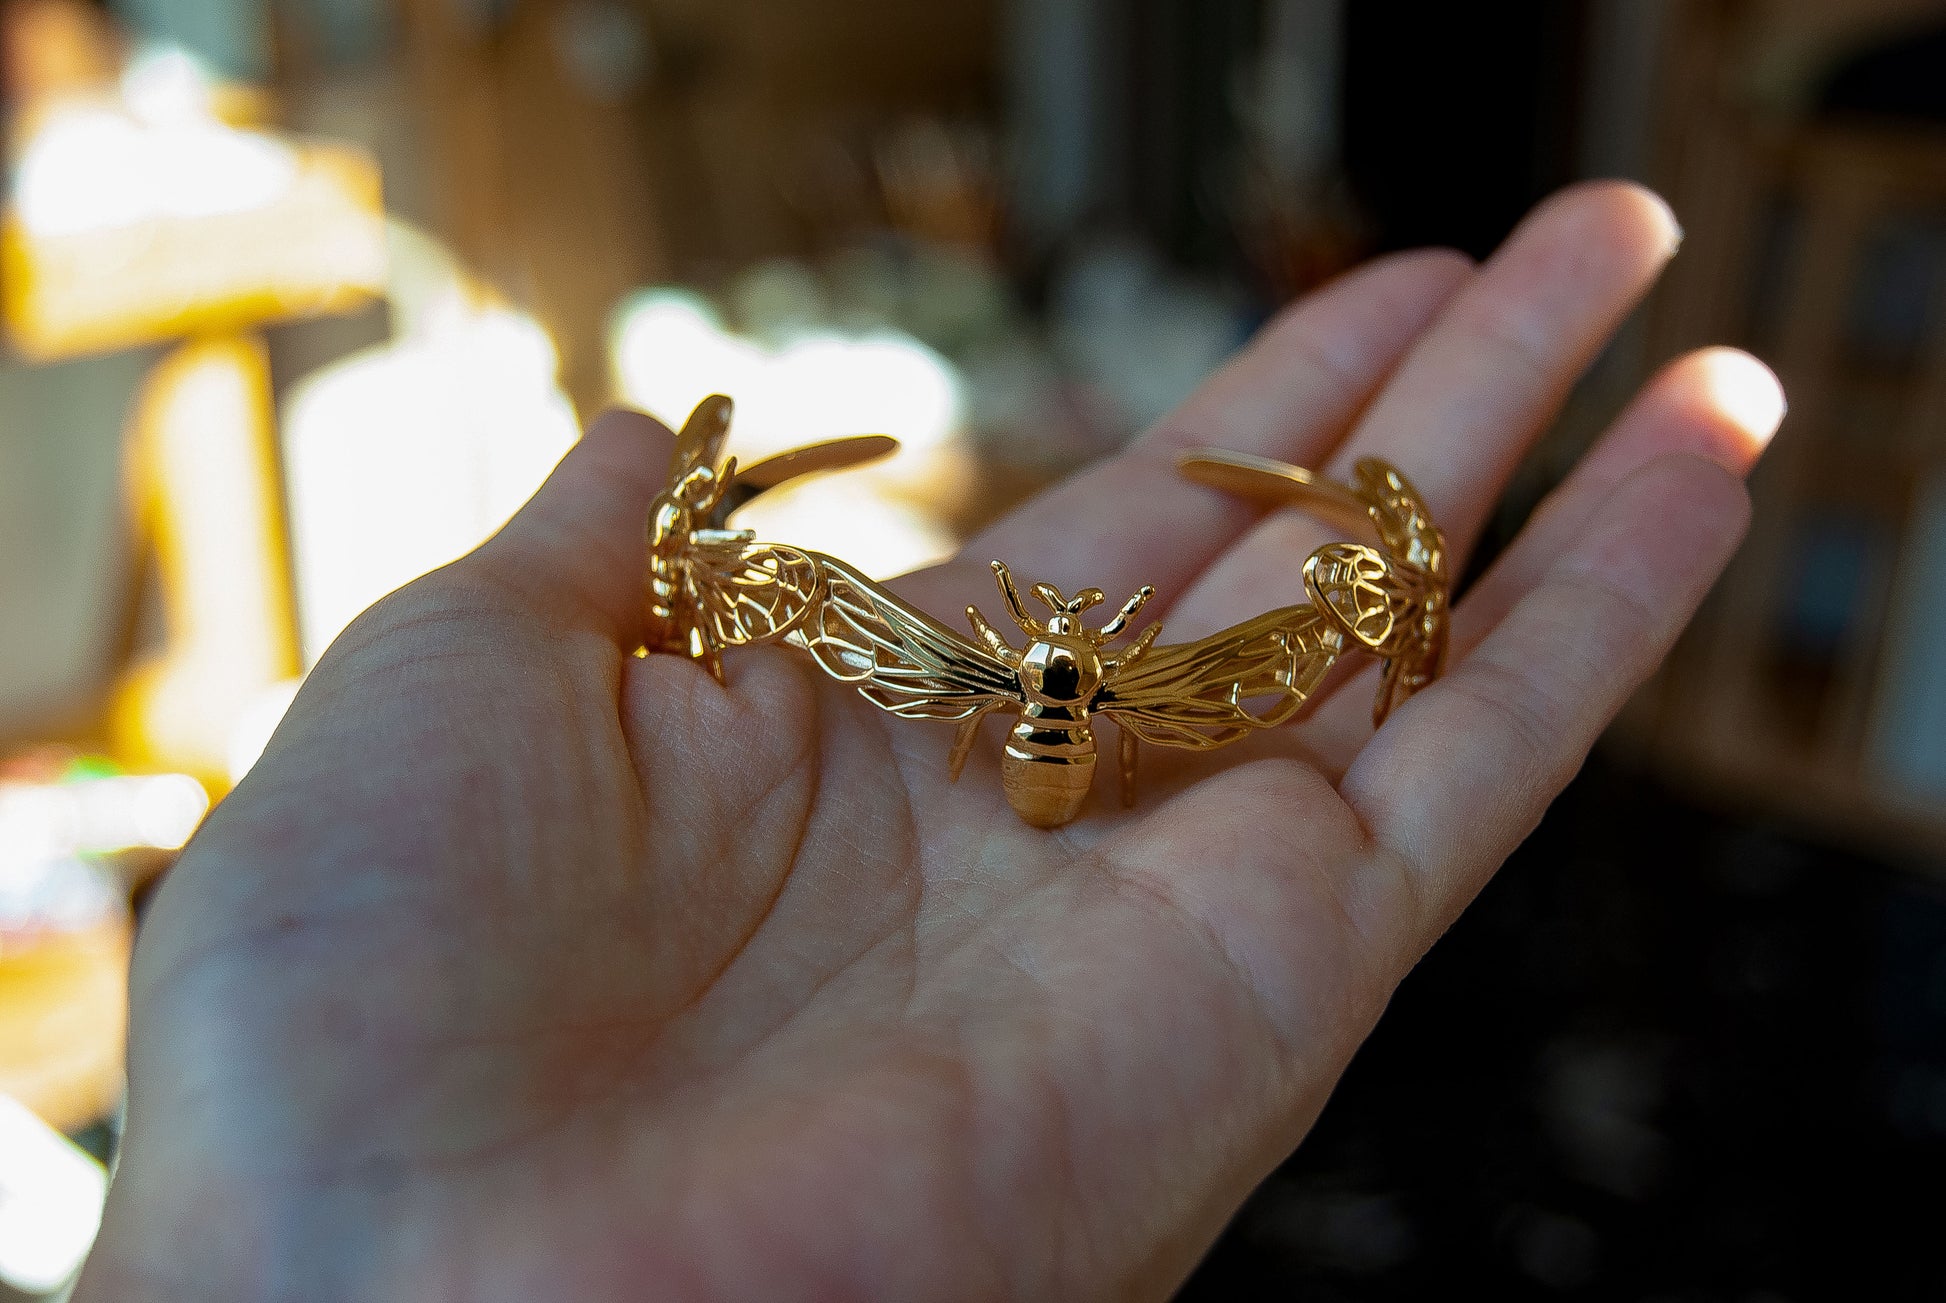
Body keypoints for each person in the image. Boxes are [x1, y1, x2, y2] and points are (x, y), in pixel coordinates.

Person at [73, 182, 1782, 1302]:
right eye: (1044, 664)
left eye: (1062, 661)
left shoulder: (936, 670)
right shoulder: (1146, 684)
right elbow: (1282, 653)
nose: (1049, 671)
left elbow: (786, 600)